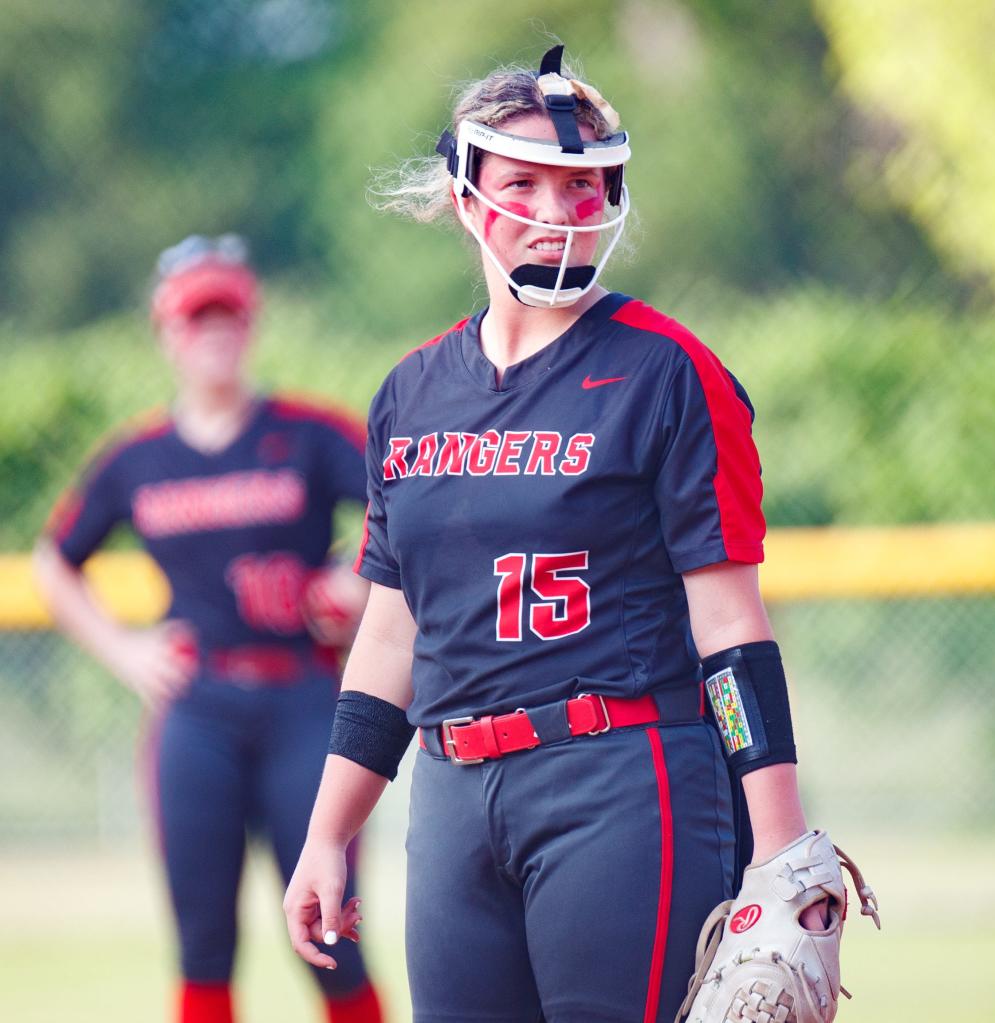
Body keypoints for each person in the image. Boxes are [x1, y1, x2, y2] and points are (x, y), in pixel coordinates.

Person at [283, 45, 871, 1023]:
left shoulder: (670, 371)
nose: (560, 210)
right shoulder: (412, 392)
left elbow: (729, 629)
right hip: (452, 792)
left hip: (623, 777)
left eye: (585, 185)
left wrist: (780, 844)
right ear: (468, 198)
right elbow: (390, 638)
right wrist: (326, 835)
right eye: (526, 182)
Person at [33, 235, 385, 1023]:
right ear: (167, 333)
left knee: (334, 938)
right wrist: (123, 650)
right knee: (203, 946)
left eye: (229, 316)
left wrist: (357, 576)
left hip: (304, 703)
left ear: (252, 324)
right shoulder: (138, 458)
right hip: (199, 711)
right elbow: (54, 562)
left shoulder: (305, 432)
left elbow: (405, 505)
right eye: (198, 320)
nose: (215, 335)